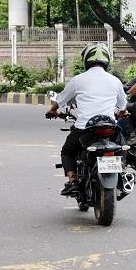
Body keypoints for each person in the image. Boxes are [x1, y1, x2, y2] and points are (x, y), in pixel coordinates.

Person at [46, 43, 127, 196]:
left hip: (85, 129)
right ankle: (122, 171)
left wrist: (53, 109)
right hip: (109, 128)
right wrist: (121, 113)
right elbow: (123, 107)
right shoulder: (115, 81)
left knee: (67, 152)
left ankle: (73, 181)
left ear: (86, 60)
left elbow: (62, 99)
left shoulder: (78, 80)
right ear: (107, 60)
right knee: (122, 146)